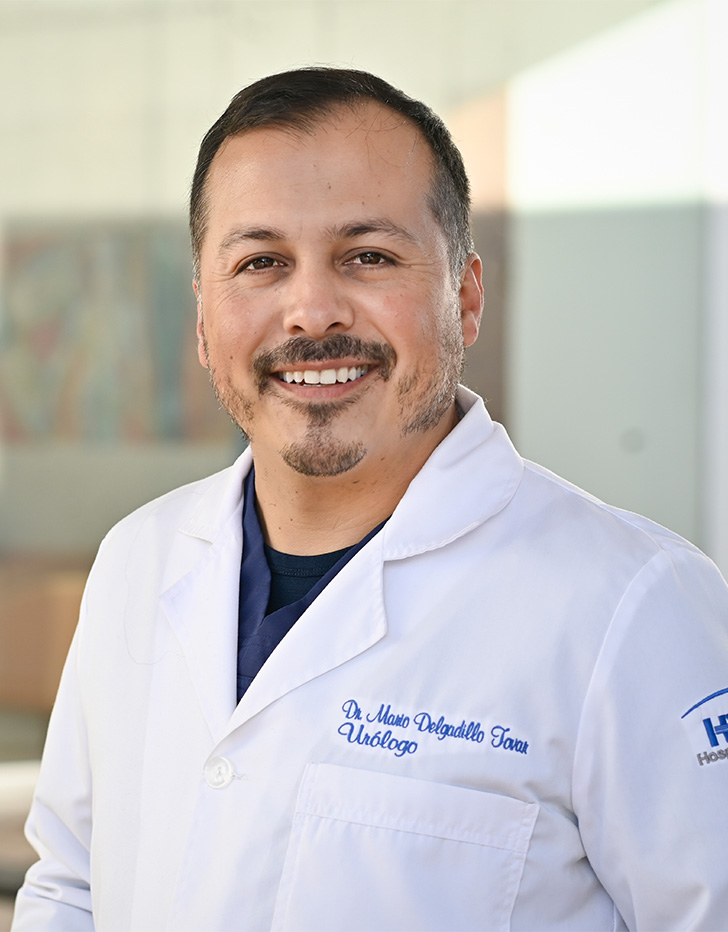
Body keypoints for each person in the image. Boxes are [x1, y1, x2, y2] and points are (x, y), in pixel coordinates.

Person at [12, 67, 728, 932]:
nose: (311, 311)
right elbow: (73, 888)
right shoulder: (138, 560)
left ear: (464, 298)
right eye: (261, 262)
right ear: (203, 319)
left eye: (369, 256)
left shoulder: (635, 608)